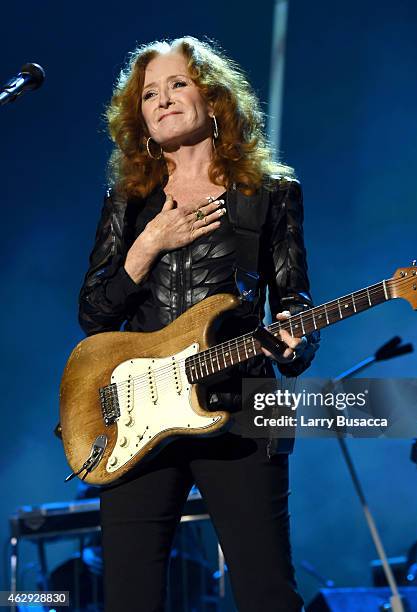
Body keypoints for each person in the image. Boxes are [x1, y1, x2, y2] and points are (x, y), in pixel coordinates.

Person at [78, 35, 319, 612]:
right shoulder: (127, 201)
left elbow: (297, 301)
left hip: (241, 405)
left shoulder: (270, 194)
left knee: (267, 593)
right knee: (129, 598)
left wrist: (296, 338)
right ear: (137, 119)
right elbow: (93, 314)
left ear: (213, 99)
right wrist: (148, 244)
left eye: (177, 84)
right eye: (148, 94)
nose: (161, 100)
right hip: (140, 414)